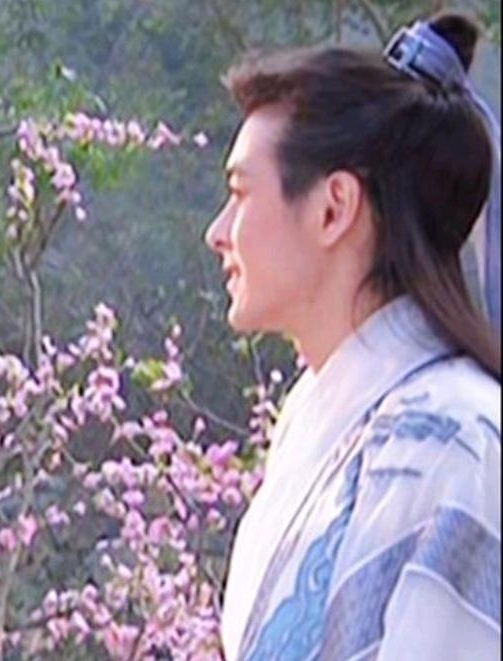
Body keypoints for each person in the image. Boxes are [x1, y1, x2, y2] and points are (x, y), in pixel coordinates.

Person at [205, 11, 501, 661]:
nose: (217, 233)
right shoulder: (314, 417)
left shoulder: (459, 445)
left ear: (333, 208)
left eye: (240, 193)